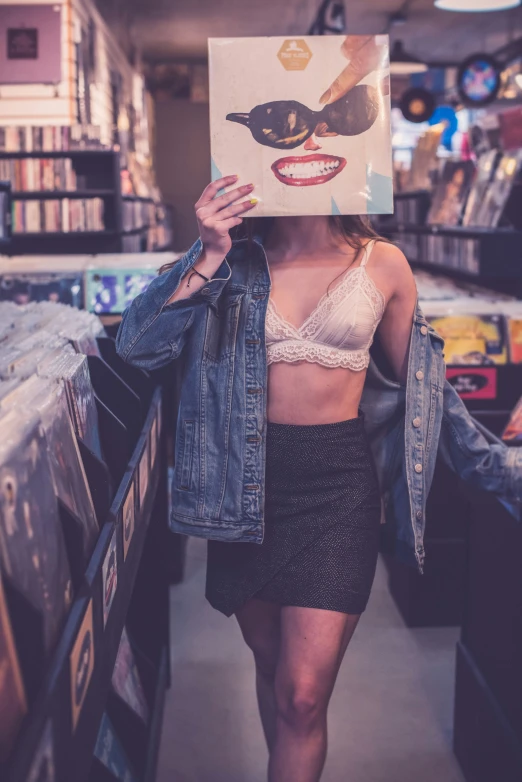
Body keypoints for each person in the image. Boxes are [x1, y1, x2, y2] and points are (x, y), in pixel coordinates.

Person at [116, 176, 522, 782]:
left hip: (336, 490)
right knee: (272, 668)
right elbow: (138, 349)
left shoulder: (382, 264)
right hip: (242, 491)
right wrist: (208, 251)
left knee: (303, 694)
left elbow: (425, 391)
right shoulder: (228, 259)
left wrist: (501, 471)